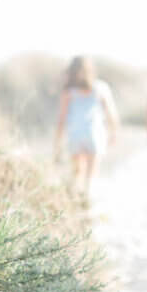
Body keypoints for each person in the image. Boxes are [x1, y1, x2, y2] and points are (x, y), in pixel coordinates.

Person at [54, 56, 119, 199]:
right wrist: (114, 132)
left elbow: (61, 119)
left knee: (77, 174)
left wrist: (57, 143)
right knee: (91, 175)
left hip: (75, 135)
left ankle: (77, 202)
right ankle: (88, 202)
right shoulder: (101, 87)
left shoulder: (69, 92)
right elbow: (111, 114)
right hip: (94, 134)